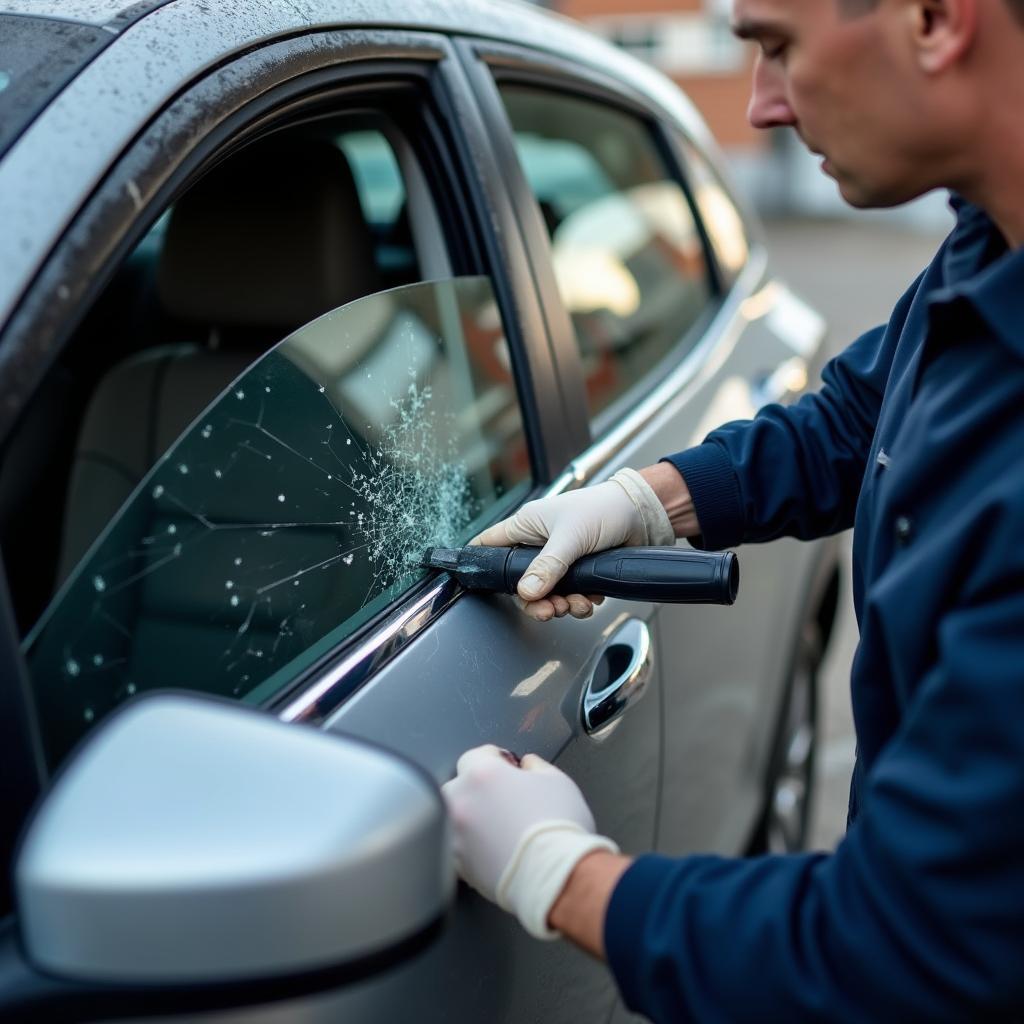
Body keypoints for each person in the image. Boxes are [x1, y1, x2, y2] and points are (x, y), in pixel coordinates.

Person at [440, 0, 1024, 1018]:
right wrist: (643, 501)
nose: (757, 105)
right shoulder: (992, 246)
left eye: (777, 45)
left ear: (933, 18)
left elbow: (905, 953)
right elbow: (862, 412)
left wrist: (559, 875)